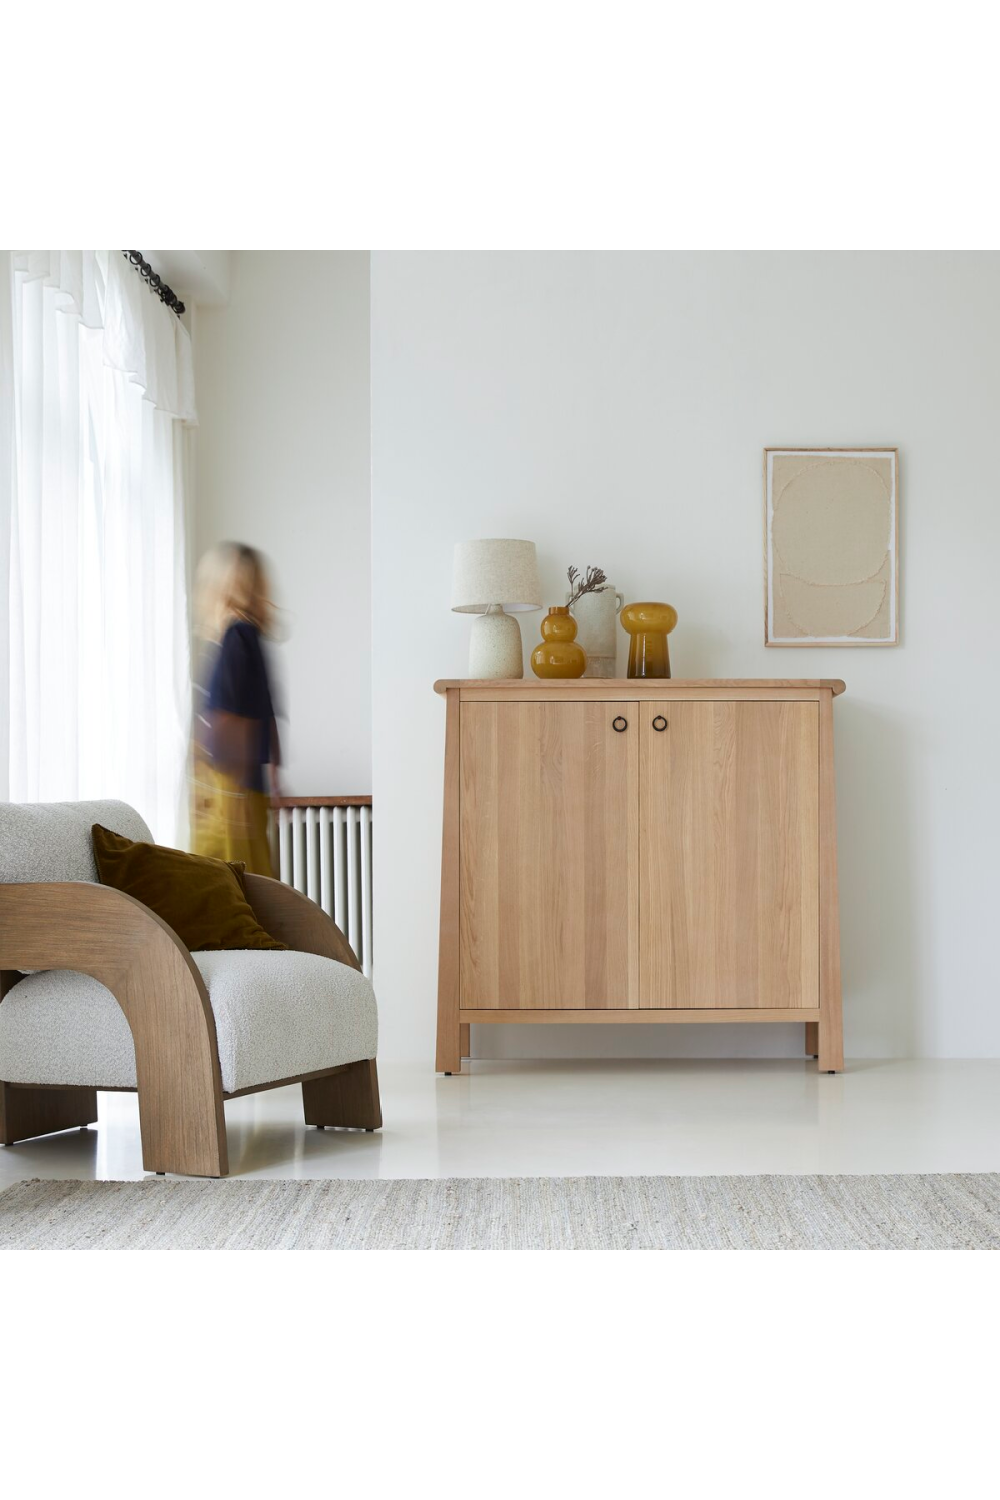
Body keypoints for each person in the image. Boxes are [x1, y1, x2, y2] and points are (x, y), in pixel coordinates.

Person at [191, 542, 281, 875]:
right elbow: (268, 711)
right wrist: (272, 772)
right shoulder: (250, 636)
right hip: (246, 785)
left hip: (230, 786)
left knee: (223, 879)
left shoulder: (236, 636)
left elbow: (231, 717)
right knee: (252, 875)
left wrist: (231, 780)